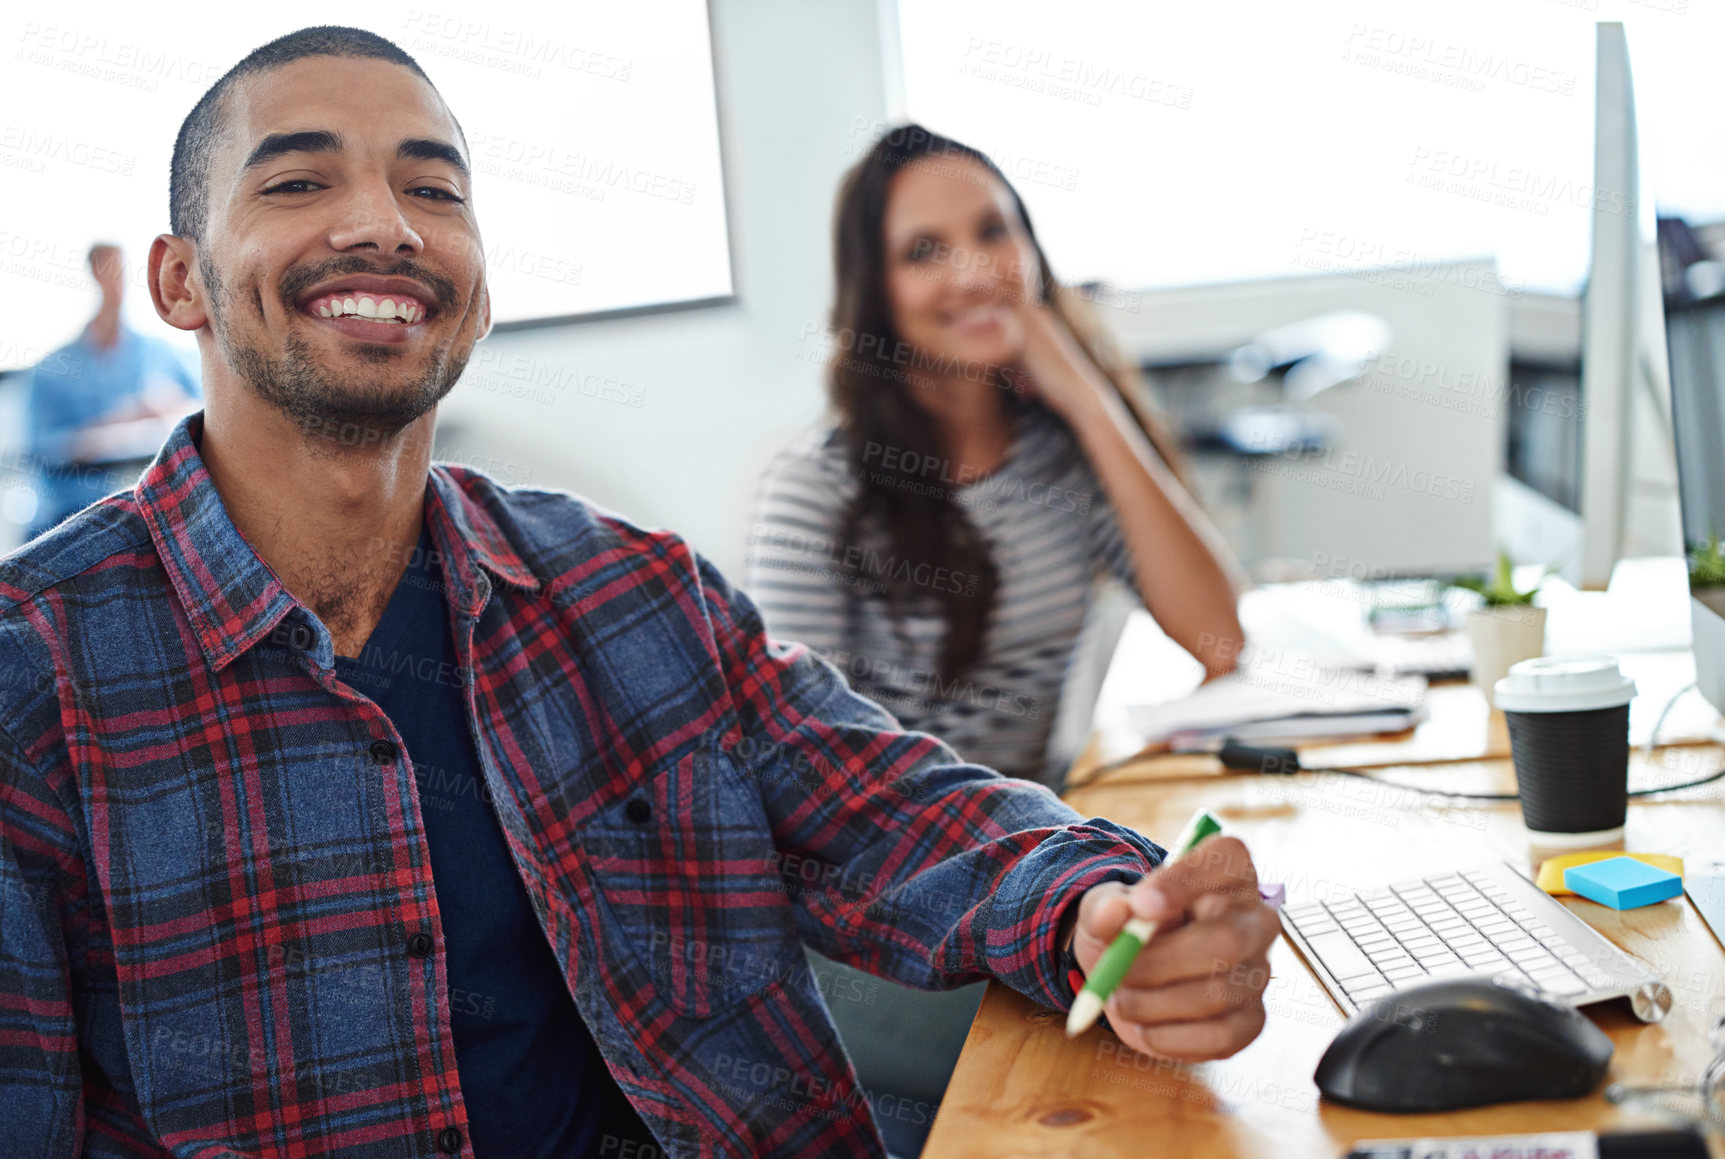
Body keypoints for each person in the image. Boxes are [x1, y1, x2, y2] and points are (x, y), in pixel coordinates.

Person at [0, 28, 1279, 1159]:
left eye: (433, 188)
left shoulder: (630, 592)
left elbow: (895, 811)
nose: (384, 222)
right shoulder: (34, 670)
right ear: (179, 281)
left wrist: (1099, 899)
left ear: (480, 283)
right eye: (298, 180)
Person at [747, 124, 1245, 787]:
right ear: (875, 291)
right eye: (923, 251)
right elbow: (800, 767)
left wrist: (1092, 405)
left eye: (992, 232)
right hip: (899, 866)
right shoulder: (814, 487)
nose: (975, 273)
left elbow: (1219, 638)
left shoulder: (1057, 448)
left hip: (1042, 848)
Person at [24, 243, 202, 539]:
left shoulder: (157, 352)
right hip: (72, 513)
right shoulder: (52, 368)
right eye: (108, 270)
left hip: (154, 511)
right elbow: (40, 449)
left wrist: (166, 406)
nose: (117, 281)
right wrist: (118, 424)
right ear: (93, 274)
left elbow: (202, 410)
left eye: (121, 270)